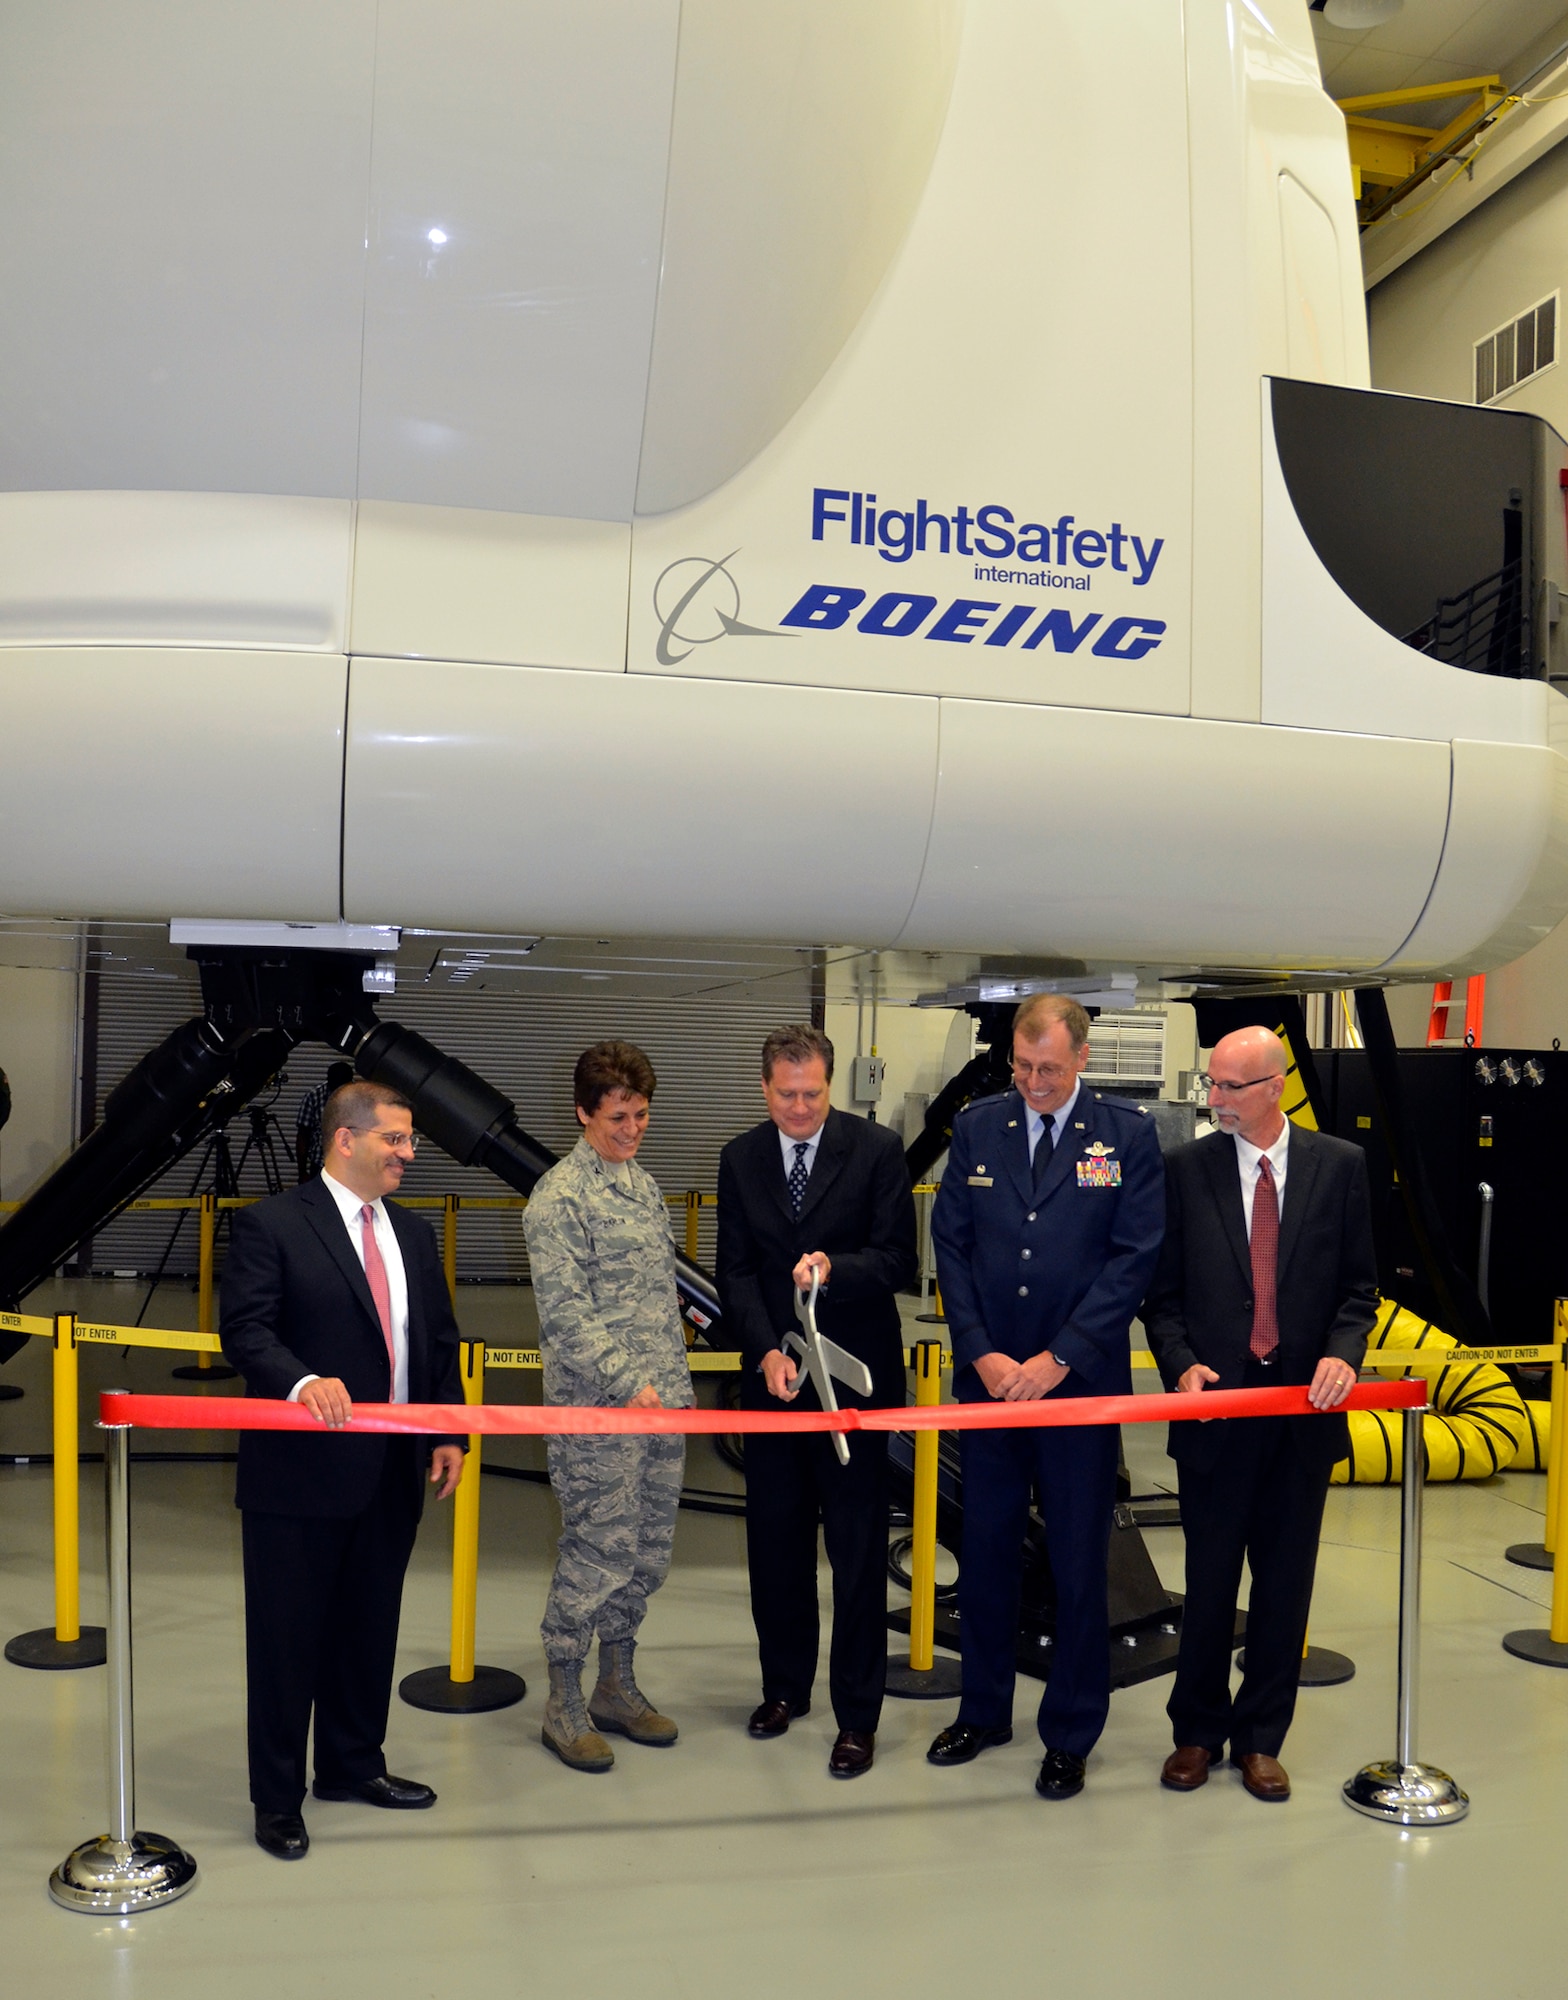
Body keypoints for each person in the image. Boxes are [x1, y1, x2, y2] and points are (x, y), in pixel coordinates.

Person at [220, 1081, 465, 1862]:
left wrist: (447, 1430)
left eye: (410, 1140)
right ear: (345, 1140)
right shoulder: (272, 1225)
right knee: (287, 1640)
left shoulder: (416, 1236)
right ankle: (278, 1799)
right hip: (300, 1474)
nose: (408, 1153)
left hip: (392, 1468)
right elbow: (247, 1330)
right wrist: (299, 1380)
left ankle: (353, 1766)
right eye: (395, 1139)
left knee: (369, 1628)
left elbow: (439, 1342)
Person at [927, 995, 1164, 1800]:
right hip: (990, 1391)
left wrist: (1057, 1359)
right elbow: (951, 1247)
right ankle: (984, 1710)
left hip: (1076, 1397)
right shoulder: (978, 1128)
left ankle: (1069, 1732)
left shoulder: (1125, 1137)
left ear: (1082, 1059)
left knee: (1074, 1564)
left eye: (1049, 1070)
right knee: (986, 1557)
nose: (1033, 1082)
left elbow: (1133, 1260)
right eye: (1024, 1068)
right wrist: (985, 1355)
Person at [1143, 1025, 1376, 1802]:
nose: (1215, 1100)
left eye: (1231, 1087)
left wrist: (1346, 1351)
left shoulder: (1339, 1167)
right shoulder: (1184, 1171)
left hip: (1302, 1420)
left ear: (1275, 1086)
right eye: (1211, 1084)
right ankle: (1196, 1733)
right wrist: (1180, 1365)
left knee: (1284, 1588)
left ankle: (1262, 1739)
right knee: (1208, 1587)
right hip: (1216, 1417)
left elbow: (1358, 1288)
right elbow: (1162, 1294)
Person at [716, 1024, 918, 1779]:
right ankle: (784, 1689)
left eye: (813, 1094)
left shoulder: (876, 1152)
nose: (799, 1108)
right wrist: (766, 1348)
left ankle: (857, 1716)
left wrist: (836, 1268)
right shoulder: (741, 1158)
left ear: (831, 1087)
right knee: (776, 1541)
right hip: (775, 1383)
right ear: (764, 1089)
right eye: (785, 1094)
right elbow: (734, 1270)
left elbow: (898, 1259)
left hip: (852, 1387)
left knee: (858, 1551)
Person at [523, 1040, 693, 1773]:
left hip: (663, 1409)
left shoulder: (643, 1187)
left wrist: (670, 1389)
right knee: (598, 1551)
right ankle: (563, 1702)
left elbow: (660, 1300)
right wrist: (629, 1380)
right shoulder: (558, 1198)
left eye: (643, 1115)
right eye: (619, 1116)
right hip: (599, 1412)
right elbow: (567, 1314)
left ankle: (616, 1687)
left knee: (647, 1552)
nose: (632, 1129)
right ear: (583, 1113)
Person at [295, 1060, 354, 1182]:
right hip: (320, 1165)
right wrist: (302, 1172)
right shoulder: (314, 1097)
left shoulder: (361, 1099)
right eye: (335, 1085)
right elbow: (303, 1136)